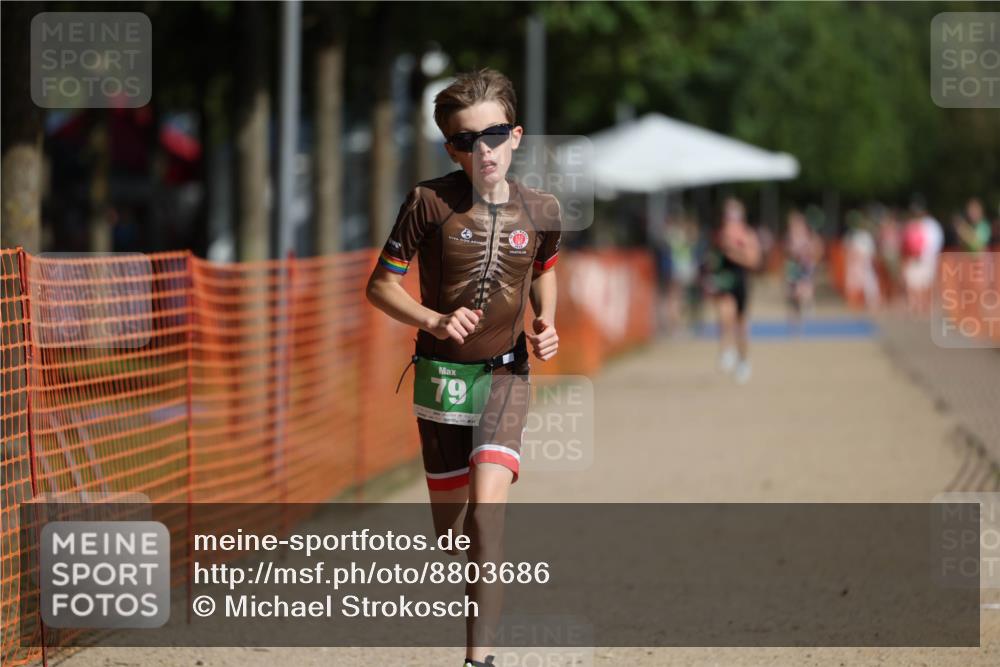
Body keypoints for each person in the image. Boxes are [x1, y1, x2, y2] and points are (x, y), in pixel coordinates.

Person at [365, 68, 560, 667]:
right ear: (450, 147)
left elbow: (545, 271)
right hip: (441, 380)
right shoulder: (428, 202)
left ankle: (479, 660)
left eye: (494, 134)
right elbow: (379, 288)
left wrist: (546, 322)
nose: (483, 150)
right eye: (464, 140)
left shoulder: (542, 209)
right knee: (456, 534)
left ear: (516, 136)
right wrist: (432, 320)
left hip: (506, 375)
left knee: (487, 516)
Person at [702, 197, 761, 384]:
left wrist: (735, 253)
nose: (730, 218)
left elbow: (754, 261)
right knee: (724, 314)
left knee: (741, 325)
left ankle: (743, 360)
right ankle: (726, 350)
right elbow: (711, 260)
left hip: (741, 281)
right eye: (728, 214)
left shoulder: (748, 235)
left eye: (734, 214)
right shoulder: (718, 236)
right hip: (724, 281)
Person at [784, 207, 824, 326]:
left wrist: (809, 254)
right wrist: (795, 253)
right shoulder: (790, 236)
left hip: (805, 266)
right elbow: (788, 251)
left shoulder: (809, 235)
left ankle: (807, 306)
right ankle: (796, 316)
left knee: (804, 289)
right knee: (792, 294)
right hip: (793, 266)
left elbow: (818, 249)